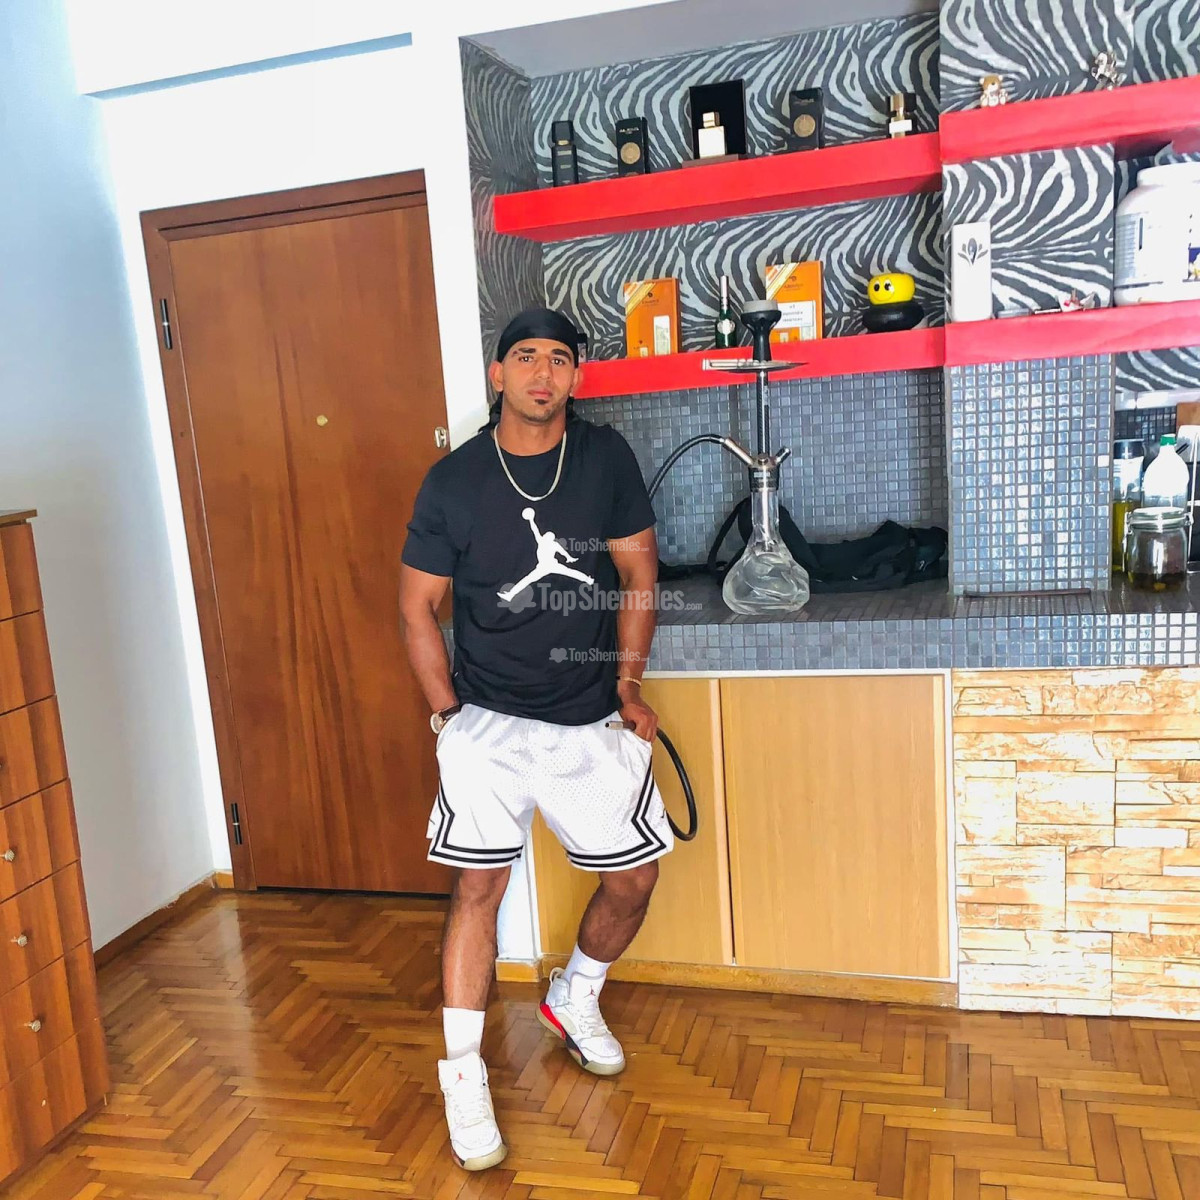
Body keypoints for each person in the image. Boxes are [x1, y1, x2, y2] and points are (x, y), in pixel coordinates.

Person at [398, 307, 672, 1172]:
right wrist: (447, 716)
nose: (542, 372)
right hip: (487, 721)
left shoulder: (605, 459)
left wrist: (628, 687)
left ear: (576, 377)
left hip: (588, 714)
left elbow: (638, 570)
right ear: (499, 374)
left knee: (634, 879)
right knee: (478, 888)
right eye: (526, 357)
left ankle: (574, 995)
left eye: (559, 358)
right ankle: (463, 1074)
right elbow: (417, 607)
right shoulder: (453, 480)